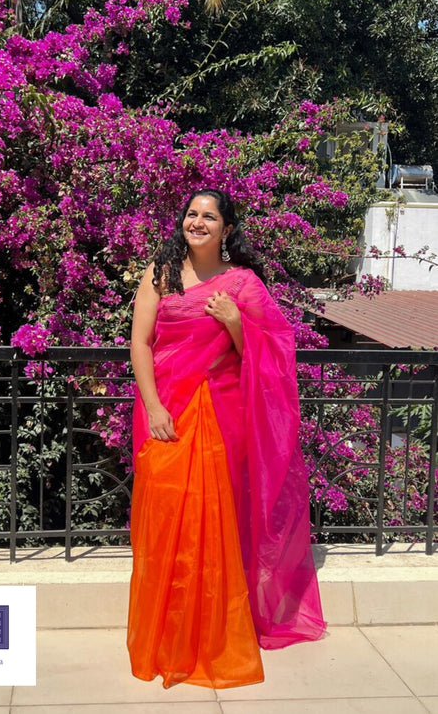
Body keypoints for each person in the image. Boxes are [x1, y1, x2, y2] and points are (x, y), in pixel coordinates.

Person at [127, 188, 326, 690]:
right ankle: (168, 634)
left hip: (223, 414)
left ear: (226, 229)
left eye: (209, 216)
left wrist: (237, 324)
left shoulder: (243, 284)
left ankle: (214, 633)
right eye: (192, 214)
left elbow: (274, 352)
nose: (197, 222)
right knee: (168, 518)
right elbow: (139, 344)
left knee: (218, 524)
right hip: (168, 411)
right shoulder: (160, 274)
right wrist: (154, 407)